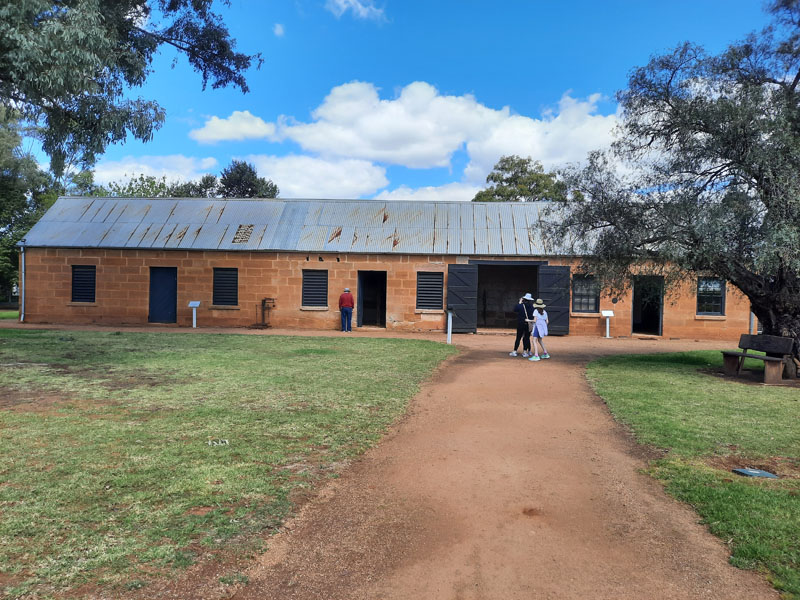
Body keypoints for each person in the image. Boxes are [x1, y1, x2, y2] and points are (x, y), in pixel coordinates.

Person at [510, 293, 534, 357]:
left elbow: (515, 309)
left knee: (518, 337)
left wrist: (520, 302)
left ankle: (515, 351)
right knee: (526, 338)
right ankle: (525, 352)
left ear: (524, 299)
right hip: (528, 324)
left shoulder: (520, 306)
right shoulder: (532, 307)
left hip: (521, 323)